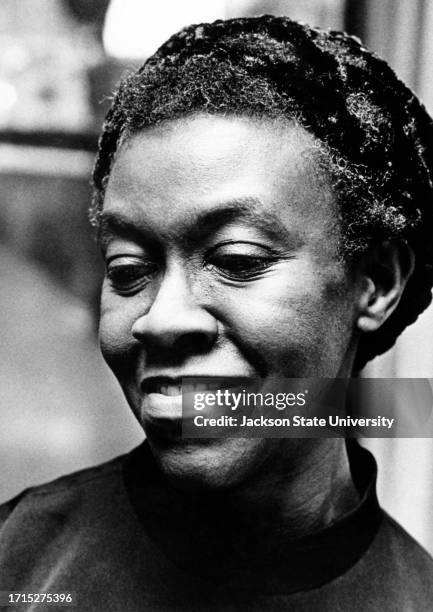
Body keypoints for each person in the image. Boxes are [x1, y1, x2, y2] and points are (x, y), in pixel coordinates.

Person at [1, 15, 433, 611]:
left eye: (235, 259)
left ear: (377, 282)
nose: (160, 319)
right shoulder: (18, 563)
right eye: (128, 270)